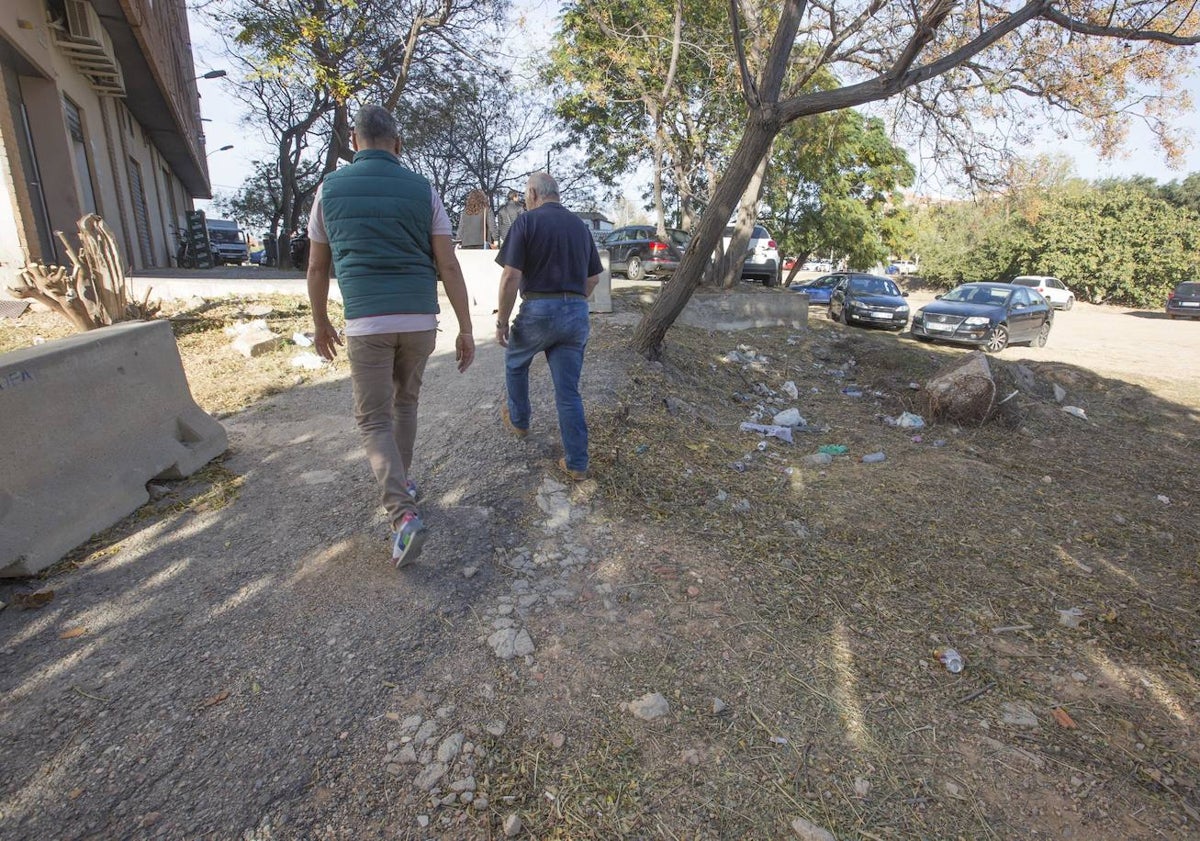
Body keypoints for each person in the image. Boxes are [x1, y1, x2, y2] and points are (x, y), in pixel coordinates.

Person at [307, 104, 476, 568]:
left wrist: (320, 320)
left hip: (367, 322)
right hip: (420, 320)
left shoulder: (329, 189)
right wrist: (464, 327)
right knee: (405, 404)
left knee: (373, 421)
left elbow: (318, 266)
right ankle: (403, 483)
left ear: (354, 144)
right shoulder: (423, 190)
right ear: (397, 144)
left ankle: (402, 517)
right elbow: (448, 264)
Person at [495, 172, 602, 479]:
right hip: (576, 312)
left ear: (532, 193)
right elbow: (593, 278)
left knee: (516, 362)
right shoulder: (581, 228)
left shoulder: (526, 223)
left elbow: (510, 277)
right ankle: (577, 463)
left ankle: (519, 420)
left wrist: (502, 321)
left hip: (538, 309)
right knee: (568, 392)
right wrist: (573, 302)